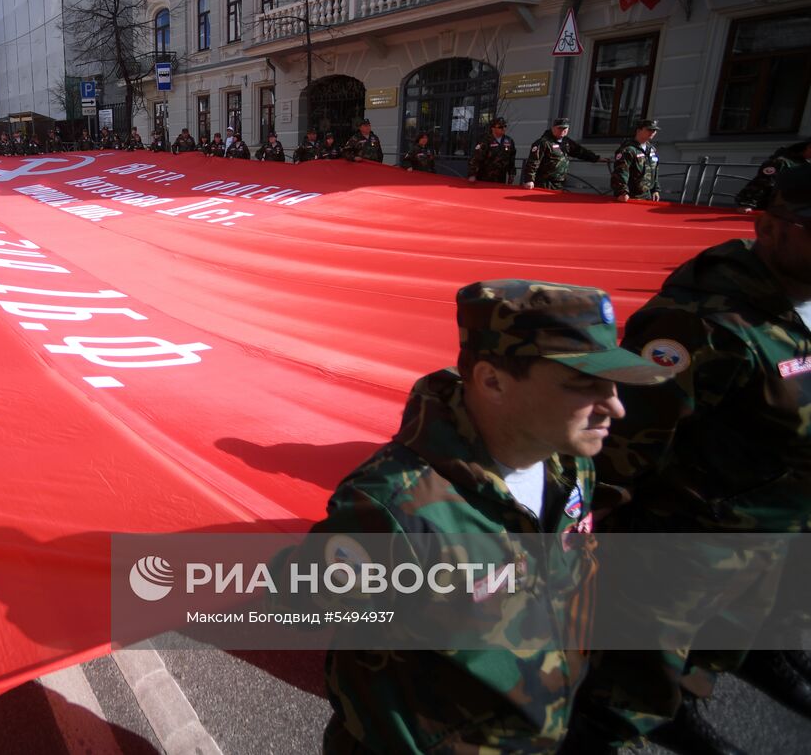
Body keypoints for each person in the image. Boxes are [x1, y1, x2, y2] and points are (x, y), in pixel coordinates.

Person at [277, 280, 674, 754]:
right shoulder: (393, 509)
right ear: (492, 382)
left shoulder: (570, 463)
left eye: (611, 383)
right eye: (583, 384)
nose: (615, 406)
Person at [574, 164, 811, 753]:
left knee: (724, 637)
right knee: (632, 678)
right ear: (770, 226)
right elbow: (624, 442)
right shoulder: (698, 320)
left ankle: (692, 694)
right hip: (692, 536)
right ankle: (627, 720)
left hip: (774, 522)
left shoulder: (798, 300)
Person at [521, 118, 605, 190]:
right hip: (544, 183)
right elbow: (533, 162)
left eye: (565, 129)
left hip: (559, 183)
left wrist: (596, 158)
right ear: (553, 128)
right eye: (560, 128)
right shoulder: (544, 143)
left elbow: (580, 152)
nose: (562, 131)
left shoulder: (566, 142)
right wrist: (529, 180)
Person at [735, 139, 810, 211]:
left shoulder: (804, 164)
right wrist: (748, 203)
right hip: (770, 205)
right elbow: (763, 182)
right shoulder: (780, 162)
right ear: (807, 148)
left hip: (792, 207)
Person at [610, 119, 660, 202]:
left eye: (654, 130)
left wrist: (655, 190)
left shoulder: (651, 149)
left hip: (647, 196)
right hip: (631, 196)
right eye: (649, 130)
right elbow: (620, 172)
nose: (652, 132)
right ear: (638, 130)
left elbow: (654, 171)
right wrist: (622, 192)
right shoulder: (628, 150)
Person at [468, 117, 516, 184]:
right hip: (485, 177)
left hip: (501, 177)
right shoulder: (485, 140)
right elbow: (476, 158)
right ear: (493, 128)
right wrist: (472, 174)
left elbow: (511, 159)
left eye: (505, 126)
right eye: (500, 127)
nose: (503, 129)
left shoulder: (509, 141)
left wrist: (512, 173)